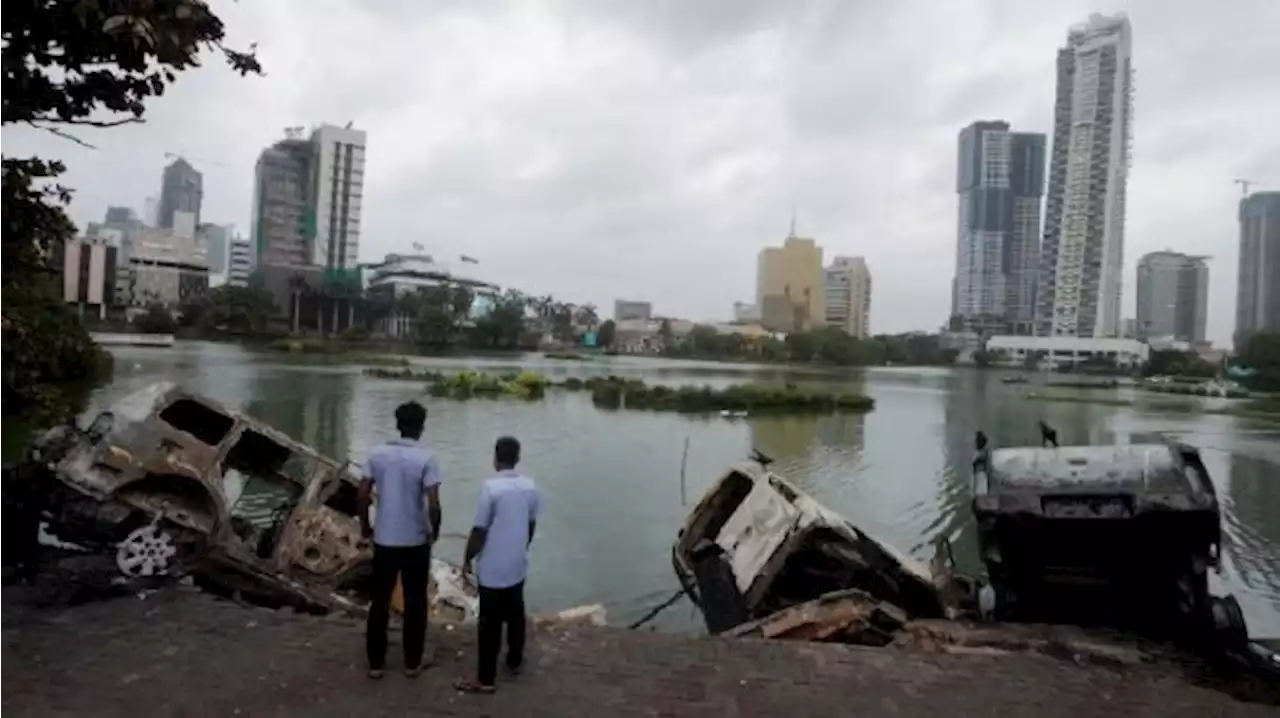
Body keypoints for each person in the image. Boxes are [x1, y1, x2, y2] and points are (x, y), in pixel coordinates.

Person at [357, 400, 442, 680]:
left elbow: (362, 494)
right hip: (415, 540)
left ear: (397, 424)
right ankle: (412, 662)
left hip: (384, 540)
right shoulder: (427, 458)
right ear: (421, 427)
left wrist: (365, 526)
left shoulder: (377, 454)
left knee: (379, 599)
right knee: (415, 601)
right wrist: (435, 530)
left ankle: (375, 663)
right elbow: (433, 503)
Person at [455, 436, 541, 695]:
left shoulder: (491, 488)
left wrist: (468, 557)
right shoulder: (530, 487)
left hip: (492, 565)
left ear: (496, 457)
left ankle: (485, 679)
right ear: (517, 458)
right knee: (515, 613)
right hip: (517, 563)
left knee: (489, 623)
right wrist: (521, 547)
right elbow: (531, 524)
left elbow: (479, 530)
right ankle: (514, 660)